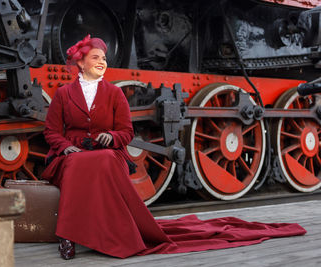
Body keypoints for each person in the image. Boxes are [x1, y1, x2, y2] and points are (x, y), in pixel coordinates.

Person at [42, 35, 306, 260]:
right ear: (80, 62)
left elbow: (126, 132)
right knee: (76, 164)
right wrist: (65, 147)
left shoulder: (114, 93)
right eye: (96, 58)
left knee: (106, 160)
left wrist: (111, 137)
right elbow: (52, 131)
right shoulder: (64, 94)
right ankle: (68, 236)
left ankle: (110, 233)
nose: (102, 63)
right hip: (72, 153)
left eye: (104, 58)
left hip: (107, 153)